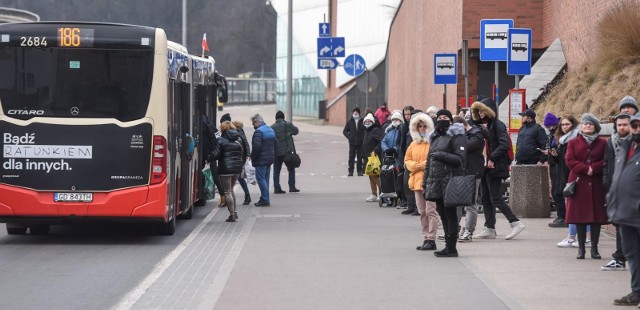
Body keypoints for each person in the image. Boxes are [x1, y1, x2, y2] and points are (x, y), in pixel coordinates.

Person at [471, 98, 526, 240]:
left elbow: (504, 144)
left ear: (490, 110)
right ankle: (489, 228)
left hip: (495, 166)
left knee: (495, 197)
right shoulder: (481, 125)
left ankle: (515, 222)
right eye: (479, 110)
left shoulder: (498, 125)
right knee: (485, 198)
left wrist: (492, 158)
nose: (481, 113)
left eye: (484, 110)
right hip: (484, 166)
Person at [423, 109, 467, 257]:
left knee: (450, 214)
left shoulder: (457, 136)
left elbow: (460, 159)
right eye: (440, 117)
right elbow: (429, 163)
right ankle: (448, 246)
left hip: (451, 180)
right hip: (436, 181)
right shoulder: (434, 138)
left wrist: (441, 155)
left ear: (451, 119)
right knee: (442, 214)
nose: (442, 119)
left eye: (445, 117)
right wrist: (425, 183)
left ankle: (451, 247)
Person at [565, 113, 608, 260]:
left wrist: (594, 168)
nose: (587, 125)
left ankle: (594, 248)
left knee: (596, 219)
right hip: (578, 182)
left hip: (596, 183)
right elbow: (569, 160)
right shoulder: (573, 142)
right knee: (579, 218)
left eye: (590, 124)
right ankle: (581, 249)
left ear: (596, 127)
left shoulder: (603, 143)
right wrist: (585, 169)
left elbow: (607, 160)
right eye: (584, 124)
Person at [607, 114, 640, 305]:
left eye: (638, 125)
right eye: (633, 126)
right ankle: (636, 292)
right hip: (624, 213)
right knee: (632, 255)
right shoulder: (625, 148)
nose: (635, 129)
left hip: (636, 212)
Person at [602, 113, 632, 271]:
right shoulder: (612, 142)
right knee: (619, 224)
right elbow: (606, 163)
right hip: (617, 188)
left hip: (634, 191)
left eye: (625, 124)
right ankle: (619, 259)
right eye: (619, 125)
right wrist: (607, 183)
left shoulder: (634, 143)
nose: (622, 127)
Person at [404, 112, 437, 251]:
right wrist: (416, 166)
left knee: (431, 211)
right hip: (417, 181)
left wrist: (419, 165)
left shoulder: (433, 142)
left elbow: (433, 160)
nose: (422, 129)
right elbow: (407, 160)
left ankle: (432, 238)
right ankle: (426, 237)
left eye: (424, 126)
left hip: (430, 180)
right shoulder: (413, 144)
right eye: (420, 126)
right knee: (422, 211)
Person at [454, 116, 488, 242]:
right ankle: (454, 229)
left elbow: (464, 147)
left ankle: (469, 230)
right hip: (461, 171)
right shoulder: (467, 135)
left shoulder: (476, 136)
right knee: (456, 202)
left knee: (470, 203)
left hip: (473, 172)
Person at [208, 121, 244, 222]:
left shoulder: (221, 140)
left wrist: (208, 158)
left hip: (226, 168)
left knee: (227, 191)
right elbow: (242, 153)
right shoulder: (239, 139)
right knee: (231, 189)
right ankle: (235, 212)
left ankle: (232, 214)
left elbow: (216, 154)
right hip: (237, 168)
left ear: (222, 129)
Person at [543, 112, 567, 227]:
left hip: (559, 166)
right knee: (555, 191)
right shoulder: (554, 134)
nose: (549, 128)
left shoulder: (559, 135)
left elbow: (560, 151)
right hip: (554, 165)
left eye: (549, 126)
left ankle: (562, 216)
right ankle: (561, 216)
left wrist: (553, 153)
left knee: (557, 192)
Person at [250, 113, 277, 207]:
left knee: (261, 179)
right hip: (269, 159)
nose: (253, 125)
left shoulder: (258, 132)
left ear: (257, 122)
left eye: (253, 123)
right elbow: (276, 144)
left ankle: (265, 199)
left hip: (261, 160)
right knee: (265, 179)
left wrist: (252, 157)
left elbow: (256, 147)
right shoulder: (270, 130)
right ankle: (264, 198)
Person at [271, 110, 300, 194]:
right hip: (288, 151)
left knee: (276, 170)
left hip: (277, 151)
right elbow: (296, 131)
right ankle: (292, 186)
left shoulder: (272, 127)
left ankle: (277, 188)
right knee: (291, 168)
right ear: (283, 117)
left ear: (276, 118)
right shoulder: (288, 125)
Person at [400, 106, 418, 215]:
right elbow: (402, 144)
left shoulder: (420, 128)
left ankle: (417, 207)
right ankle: (411, 205)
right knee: (407, 183)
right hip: (408, 159)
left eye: (410, 115)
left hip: (417, 161)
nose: (408, 117)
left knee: (417, 185)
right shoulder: (405, 127)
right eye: (406, 115)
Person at [362, 113, 383, 202]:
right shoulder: (366, 131)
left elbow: (380, 142)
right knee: (370, 175)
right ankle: (373, 194)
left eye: (369, 121)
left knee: (374, 175)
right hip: (367, 157)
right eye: (366, 121)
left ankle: (382, 192)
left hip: (374, 157)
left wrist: (375, 151)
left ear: (372, 122)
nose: (367, 123)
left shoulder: (375, 130)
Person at [232, 120, 252, 205]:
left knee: (239, 177)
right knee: (239, 177)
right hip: (240, 157)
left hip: (239, 158)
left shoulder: (238, 132)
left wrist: (248, 155)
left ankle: (247, 195)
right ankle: (247, 195)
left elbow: (246, 143)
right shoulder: (239, 132)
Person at [343, 107, 365, 176]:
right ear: (352, 113)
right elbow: (345, 131)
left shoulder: (362, 121)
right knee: (351, 157)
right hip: (352, 143)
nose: (355, 113)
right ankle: (350, 171)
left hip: (360, 143)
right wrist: (350, 138)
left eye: (357, 112)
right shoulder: (349, 121)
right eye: (354, 112)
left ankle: (359, 171)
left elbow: (365, 131)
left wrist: (363, 138)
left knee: (359, 157)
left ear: (359, 113)